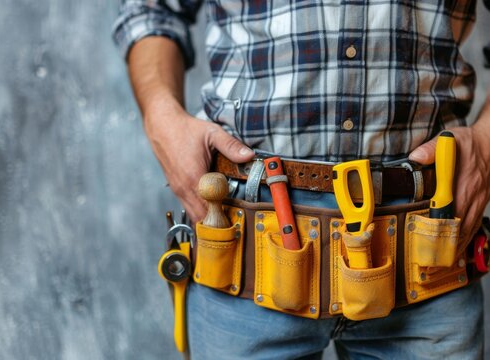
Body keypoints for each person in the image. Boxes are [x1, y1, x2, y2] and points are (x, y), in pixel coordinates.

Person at [113, 1, 490, 358]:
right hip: (243, 245)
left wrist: (487, 142)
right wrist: (161, 116)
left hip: (430, 254)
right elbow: (150, 8)